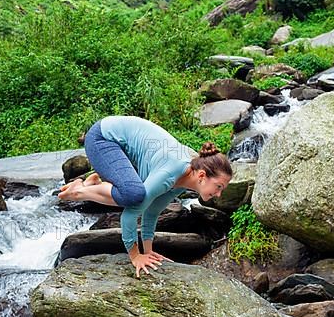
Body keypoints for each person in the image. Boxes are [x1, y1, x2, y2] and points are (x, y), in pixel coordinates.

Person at [58, 116, 232, 278]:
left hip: (122, 146)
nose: (219, 194)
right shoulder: (171, 171)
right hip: (102, 138)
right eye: (219, 187)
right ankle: (79, 191)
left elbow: (152, 211)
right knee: (134, 196)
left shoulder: (187, 178)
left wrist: (148, 252)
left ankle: (94, 183)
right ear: (202, 176)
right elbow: (129, 214)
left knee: (139, 196)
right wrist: (135, 256)